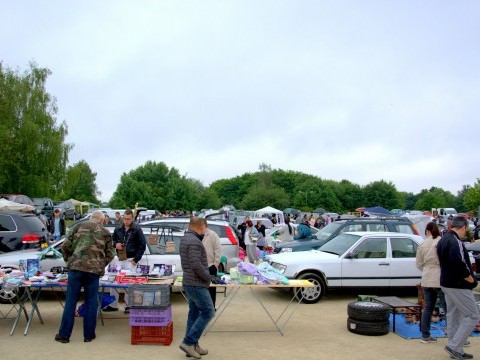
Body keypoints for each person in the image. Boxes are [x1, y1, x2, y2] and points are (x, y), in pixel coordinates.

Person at [54, 210, 115, 343]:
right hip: (93, 271)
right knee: (91, 302)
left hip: (75, 268)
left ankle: (64, 335)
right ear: (101, 220)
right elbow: (111, 253)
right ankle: (88, 335)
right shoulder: (105, 232)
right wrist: (101, 264)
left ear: (91, 218)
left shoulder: (77, 227)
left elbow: (65, 245)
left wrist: (68, 260)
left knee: (71, 302)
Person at [437, 216, 479, 360]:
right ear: (463, 227)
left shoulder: (443, 239)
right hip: (458, 284)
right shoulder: (455, 241)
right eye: (465, 229)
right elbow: (459, 263)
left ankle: (456, 348)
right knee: (473, 315)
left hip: (446, 282)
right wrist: (470, 278)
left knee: (453, 314)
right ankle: (455, 346)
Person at [179, 217, 215, 359]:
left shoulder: (187, 239)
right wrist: (207, 276)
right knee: (208, 311)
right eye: (204, 227)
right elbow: (195, 264)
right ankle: (188, 342)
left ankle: (192, 346)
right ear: (200, 226)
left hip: (190, 282)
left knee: (194, 313)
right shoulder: (194, 241)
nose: (205, 230)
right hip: (196, 283)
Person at [104, 209, 146, 313]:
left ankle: (129, 305)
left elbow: (142, 245)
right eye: (125, 219)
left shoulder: (137, 229)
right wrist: (115, 245)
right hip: (120, 258)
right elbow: (112, 241)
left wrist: (136, 259)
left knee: (130, 282)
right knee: (114, 280)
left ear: (132, 218)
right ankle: (113, 305)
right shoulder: (118, 228)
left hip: (131, 259)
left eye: (128, 219)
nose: (126, 221)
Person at [416, 221, 442, 344]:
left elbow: (419, 263)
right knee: (448, 308)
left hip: (426, 276)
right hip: (439, 277)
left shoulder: (423, 243)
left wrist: (426, 269)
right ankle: (453, 335)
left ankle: (425, 335)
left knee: (427, 308)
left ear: (427, 230)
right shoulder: (440, 241)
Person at [202, 225, 221, 308]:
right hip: (200, 266)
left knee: (211, 289)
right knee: (201, 288)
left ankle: (212, 307)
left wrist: (216, 264)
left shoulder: (212, 235)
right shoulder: (196, 234)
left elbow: (218, 250)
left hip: (210, 266)